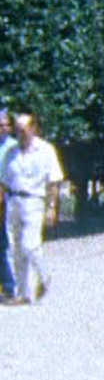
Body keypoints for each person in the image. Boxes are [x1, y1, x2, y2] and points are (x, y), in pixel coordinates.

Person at [0, 112, 65, 305]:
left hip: (34, 201)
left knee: (30, 245)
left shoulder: (46, 150)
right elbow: (3, 181)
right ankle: (24, 293)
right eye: (18, 130)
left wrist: (52, 208)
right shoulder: (11, 153)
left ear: (34, 129)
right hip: (13, 201)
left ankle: (44, 276)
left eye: (24, 129)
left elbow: (53, 181)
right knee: (16, 249)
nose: (21, 133)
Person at [0, 108, 17, 299]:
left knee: (4, 243)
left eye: (6, 125)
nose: (3, 129)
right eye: (0, 125)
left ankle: (9, 285)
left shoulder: (14, 147)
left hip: (9, 199)